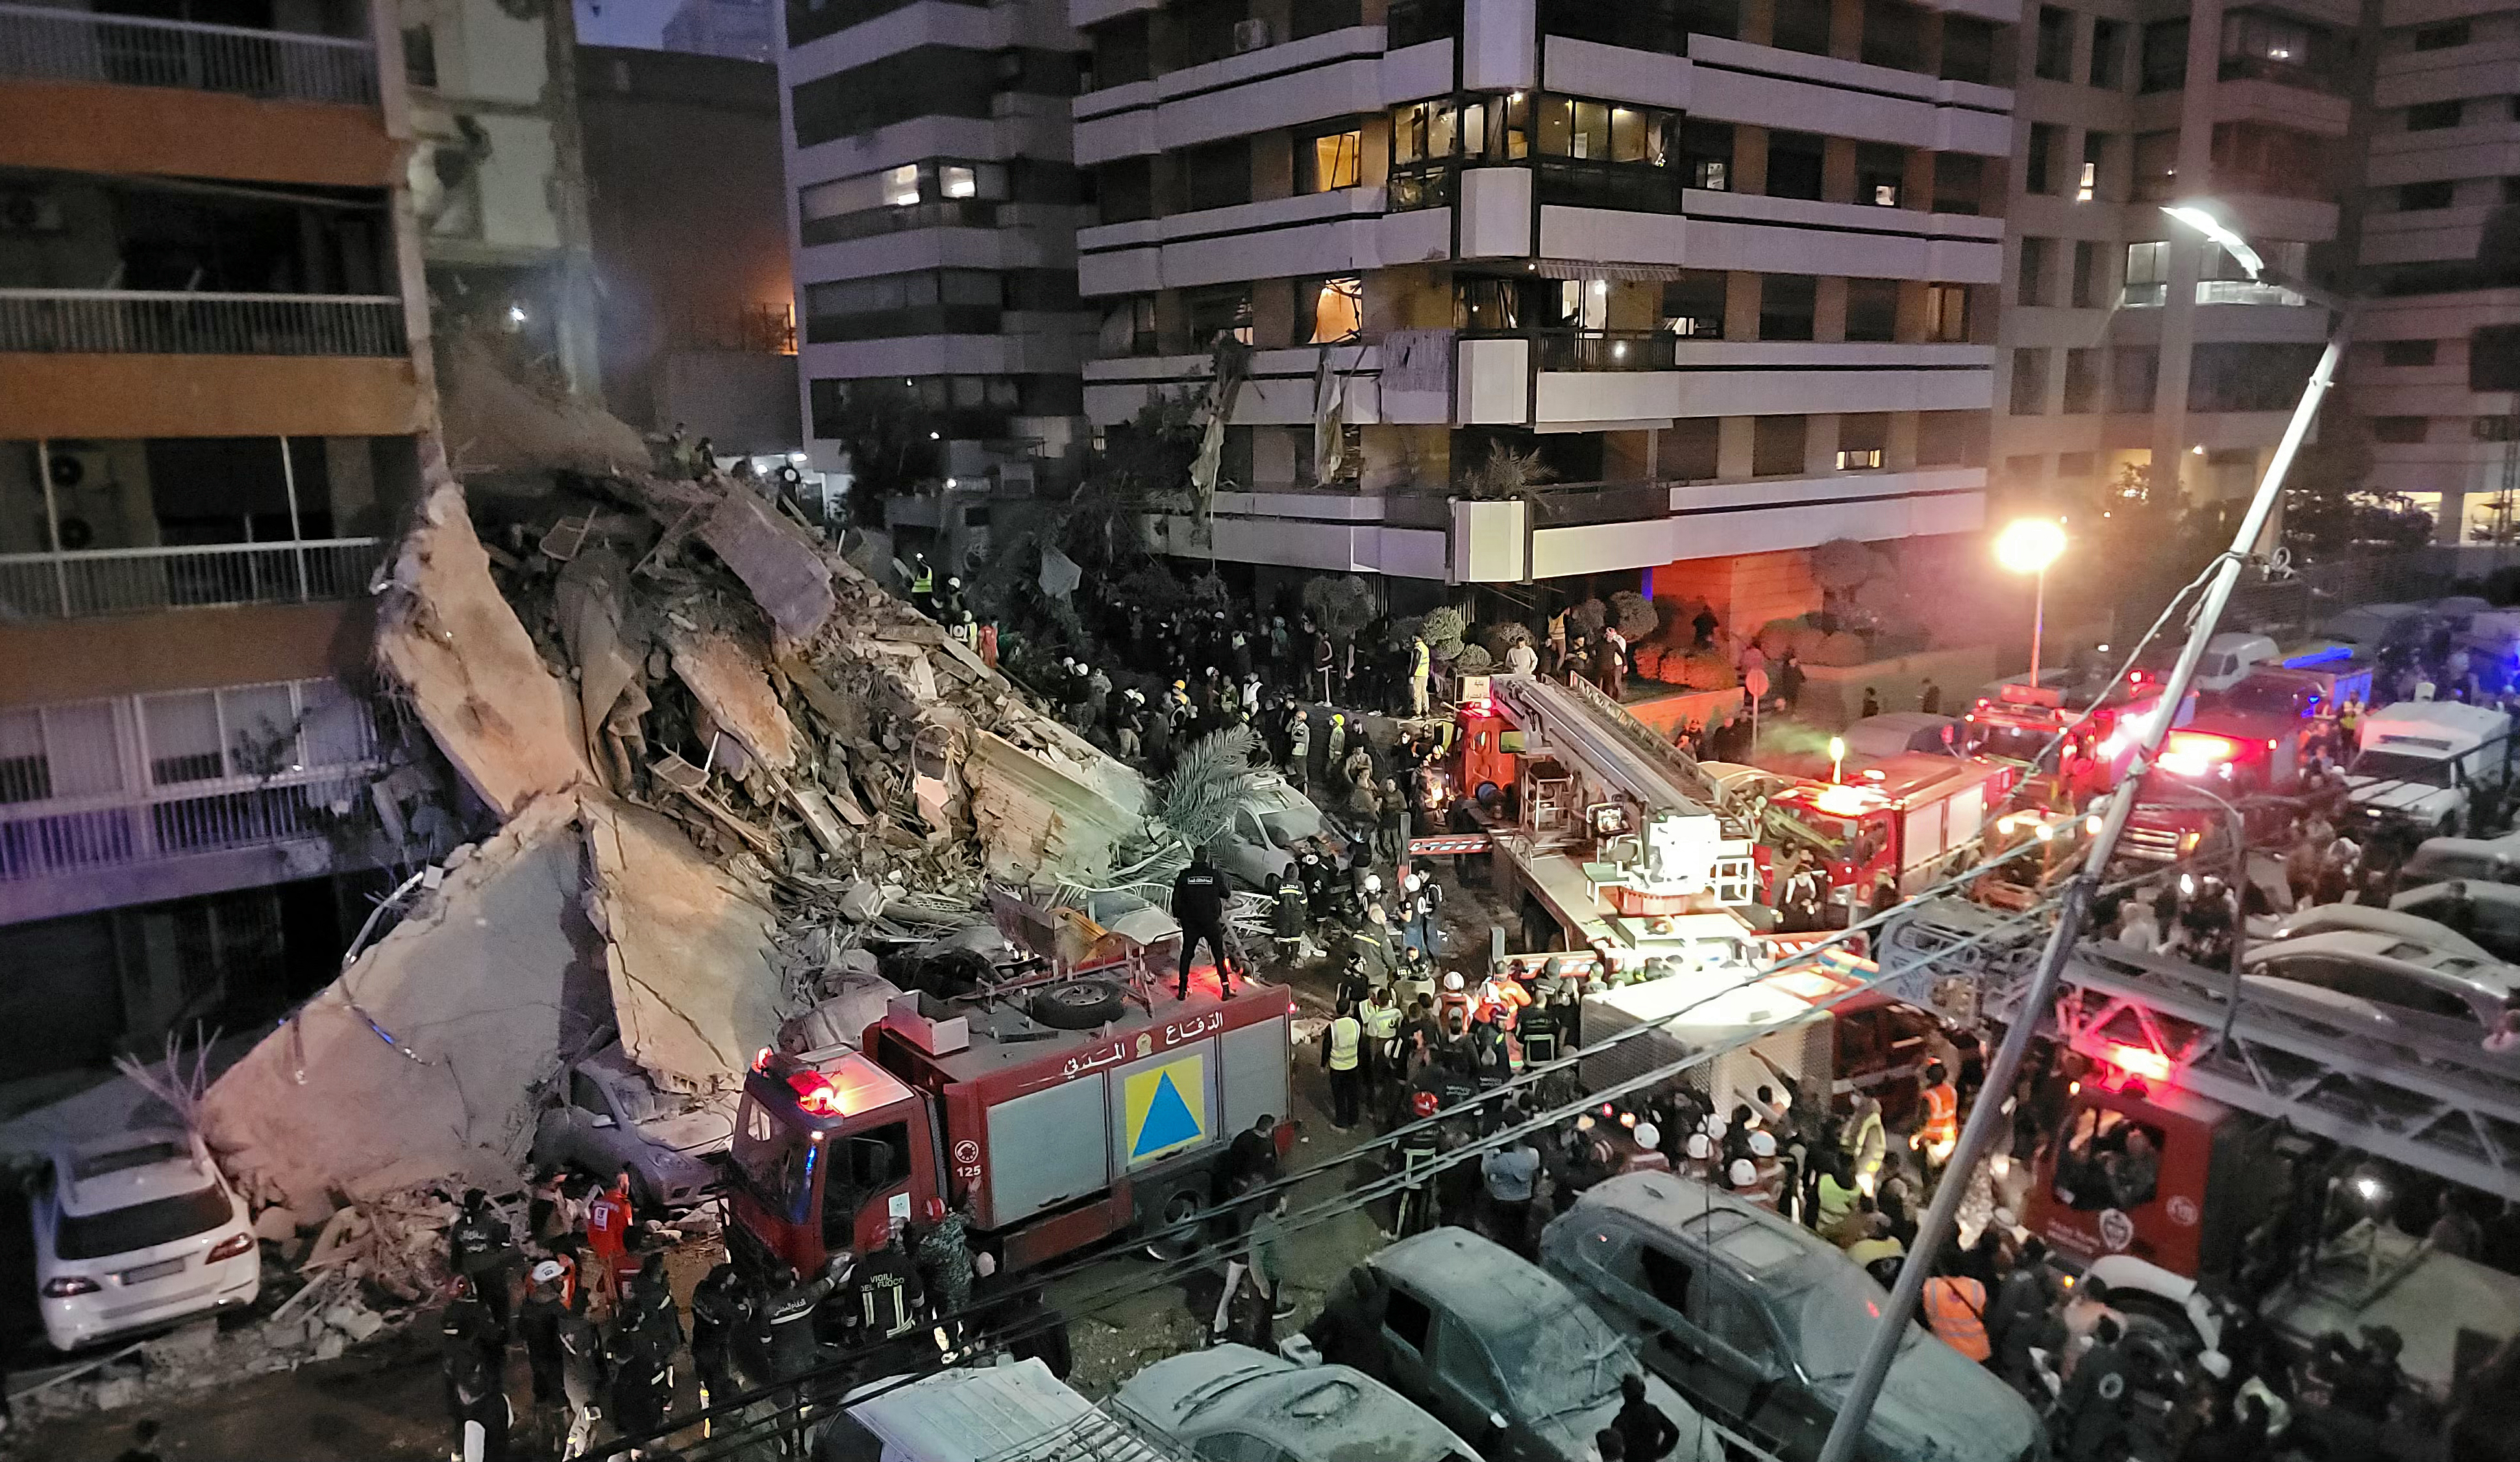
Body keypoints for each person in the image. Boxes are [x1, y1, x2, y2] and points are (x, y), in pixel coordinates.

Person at [2055, 1315, 2134, 1462]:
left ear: (2097, 1334)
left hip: (2084, 1432)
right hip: (2109, 1433)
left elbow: (2073, 1398)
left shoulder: (2090, 1360)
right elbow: (2127, 1406)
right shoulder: (2125, 1364)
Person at [449, 1188, 518, 1332]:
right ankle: (502, 1326)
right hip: (491, 1267)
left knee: (480, 1298)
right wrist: (506, 1233)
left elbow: (455, 1249)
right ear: (481, 1204)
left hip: (471, 1270)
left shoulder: (459, 1225)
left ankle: (481, 1325)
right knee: (499, 1298)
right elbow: (504, 1244)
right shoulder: (491, 1223)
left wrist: (457, 1270)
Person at [1171, 848, 1235, 1000]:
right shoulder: (1213, 875)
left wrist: (1180, 917)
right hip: (1211, 922)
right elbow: (1226, 894)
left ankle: (1182, 990)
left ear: (1194, 857)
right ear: (1206, 857)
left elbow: (1176, 900)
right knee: (1219, 955)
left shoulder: (1184, 876)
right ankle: (1225, 989)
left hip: (1191, 923)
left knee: (1187, 954)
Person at [687, 1261, 747, 1415]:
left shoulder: (701, 1289)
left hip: (699, 1342)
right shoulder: (720, 1304)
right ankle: (719, 1411)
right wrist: (746, 1304)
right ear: (722, 1284)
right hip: (714, 1349)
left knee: (705, 1375)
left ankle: (707, 1399)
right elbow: (741, 1314)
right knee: (718, 1382)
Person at [517, 1261, 570, 1411]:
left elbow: (521, 1330)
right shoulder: (557, 1307)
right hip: (552, 1361)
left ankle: (543, 1397)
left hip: (538, 1359)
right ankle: (557, 1402)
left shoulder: (530, 1303)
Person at [1481, 1128, 1540, 1257]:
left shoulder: (1499, 1162)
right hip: (1524, 1200)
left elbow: (1486, 1174)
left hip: (1505, 1201)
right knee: (1520, 1228)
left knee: (1504, 1230)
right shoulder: (1524, 1160)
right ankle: (1519, 1248)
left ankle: (1503, 1250)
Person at [1921, 1256, 1991, 1363]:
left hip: (1945, 1351)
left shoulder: (1931, 1286)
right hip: (1977, 1352)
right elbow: (1987, 1313)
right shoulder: (1976, 1286)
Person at [584, 1172, 632, 1307]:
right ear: (622, 1184)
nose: (628, 1184)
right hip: (616, 1250)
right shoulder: (623, 1204)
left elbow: (592, 1226)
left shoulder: (599, 1202)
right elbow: (627, 1231)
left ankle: (610, 1303)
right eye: (627, 1182)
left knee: (608, 1277)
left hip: (601, 1248)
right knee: (621, 1284)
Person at [1613, 1372, 1679, 1462]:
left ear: (1624, 1393)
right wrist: (1659, 1453)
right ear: (1643, 1390)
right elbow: (1673, 1432)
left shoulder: (1619, 1422)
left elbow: (1613, 1451)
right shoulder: (1652, 1411)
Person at [1322, 997, 1365, 1130]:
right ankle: (1354, 1121)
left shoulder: (1332, 1028)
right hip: (1353, 1065)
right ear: (1349, 1010)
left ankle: (1341, 1123)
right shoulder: (1356, 1024)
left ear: (1337, 1010)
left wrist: (1323, 1064)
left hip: (1337, 1068)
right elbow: (1360, 1044)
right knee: (1353, 1095)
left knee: (1339, 1097)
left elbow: (1326, 1047)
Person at [1914, 1062, 1958, 1172]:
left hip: (1933, 1140)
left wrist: (1917, 1136)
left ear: (1929, 1077)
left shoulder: (1929, 1096)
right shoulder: (1952, 1091)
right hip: (1951, 1137)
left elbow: (1923, 1119)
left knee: (1929, 1170)